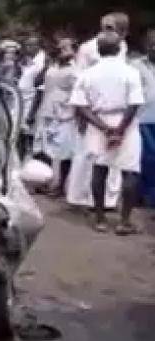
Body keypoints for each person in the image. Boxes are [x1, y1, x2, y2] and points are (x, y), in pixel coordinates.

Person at [69, 31, 144, 234]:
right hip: (125, 122)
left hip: (98, 122)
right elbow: (135, 103)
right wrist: (119, 130)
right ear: (120, 49)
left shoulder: (88, 74)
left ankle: (100, 218)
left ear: (99, 51)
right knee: (130, 171)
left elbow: (81, 105)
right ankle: (124, 221)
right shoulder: (130, 72)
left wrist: (104, 128)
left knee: (99, 170)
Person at [67, 13, 130, 209]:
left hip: (117, 107)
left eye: (112, 27)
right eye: (106, 26)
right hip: (92, 109)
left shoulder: (122, 46)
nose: (108, 30)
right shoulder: (87, 48)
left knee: (114, 155)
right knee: (88, 154)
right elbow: (78, 78)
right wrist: (81, 111)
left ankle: (109, 200)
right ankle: (80, 197)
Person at [28, 37, 78, 195]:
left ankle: (61, 185)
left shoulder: (76, 69)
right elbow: (37, 83)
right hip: (46, 110)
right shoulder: (52, 66)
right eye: (60, 48)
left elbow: (78, 93)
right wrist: (45, 67)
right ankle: (42, 181)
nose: (61, 50)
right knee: (42, 148)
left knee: (64, 151)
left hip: (65, 114)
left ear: (74, 51)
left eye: (65, 48)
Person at [133, 28, 155, 207]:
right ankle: (145, 195)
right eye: (152, 43)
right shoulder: (136, 66)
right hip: (144, 119)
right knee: (148, 158)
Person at [17, 35, 47, 159]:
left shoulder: (41, 62)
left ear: (38, 46)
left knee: (31, 137)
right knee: (21, 135)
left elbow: (40, 89)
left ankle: (30, 162)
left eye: (31, 45)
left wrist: (32, 113)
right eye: (27, 45)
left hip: (32, 104)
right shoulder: (30, 60)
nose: (28, 48)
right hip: (23, 102)